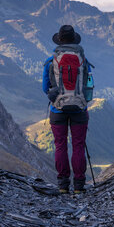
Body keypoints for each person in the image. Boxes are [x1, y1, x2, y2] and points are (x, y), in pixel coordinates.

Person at [42, 25, 91, 194]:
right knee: (78, 146)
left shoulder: (51, 61)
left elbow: (44, 87)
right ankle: (79, 186)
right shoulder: (83, 60)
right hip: (79, 109)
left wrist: (56, 95)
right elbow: (88, 85)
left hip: (57, 110)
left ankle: (63, 185)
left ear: (60, 41)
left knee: (60, 145)